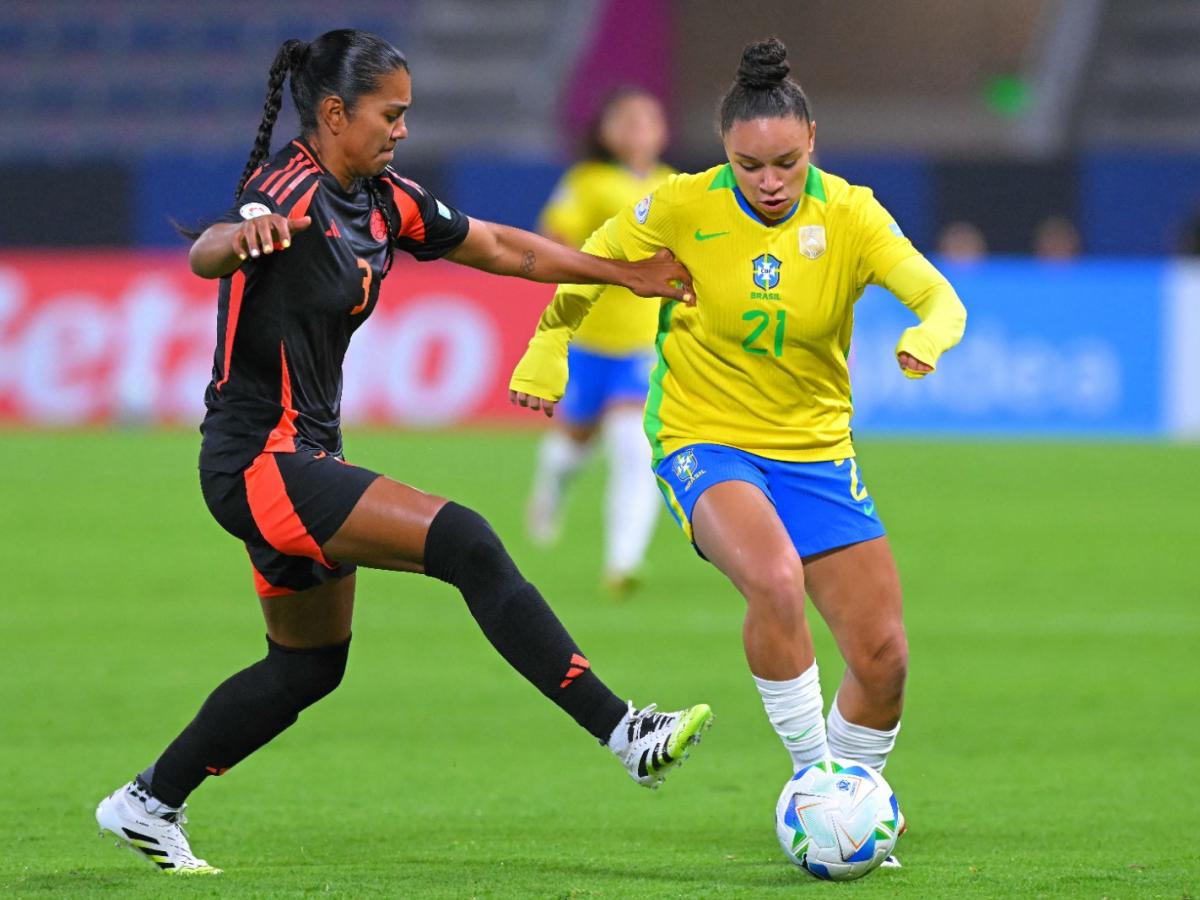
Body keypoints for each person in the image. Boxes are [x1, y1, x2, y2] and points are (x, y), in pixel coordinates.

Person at [94, 30, 712, 876]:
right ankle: (623, 730)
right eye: (392, 114)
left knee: (307, 669)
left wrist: (624, 274)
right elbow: (211, 247)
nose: (403, 130)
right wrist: (236, 239)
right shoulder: (285, 192)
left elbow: (502, 247)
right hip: (258, 464)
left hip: (300, 458)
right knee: (467, 541)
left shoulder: (384, 199)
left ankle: (146, 803)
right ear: (336, 112)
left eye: (408, 115)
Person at [511, 38, 967, 868]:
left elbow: (936, 293)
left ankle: (851, 806)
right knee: (774, 577)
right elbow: (590, 265)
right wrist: (551, 346)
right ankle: (813, 783)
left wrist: (929, 333)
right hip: (704, 439)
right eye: (748, 164)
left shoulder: (852, 215)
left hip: (817, 451)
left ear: (812, 144)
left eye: (785, 163)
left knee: (884, 656)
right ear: (725, 154)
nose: (768, 181)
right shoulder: (681, 205)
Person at [527, 86, 674, 596]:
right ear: (608, 132)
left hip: (642, 345)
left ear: (662, 132)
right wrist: (609, 266)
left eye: (648, 120)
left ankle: (623, 562)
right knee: (575, 447)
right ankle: (551, 488)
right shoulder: (587, 182)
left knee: (635, 446)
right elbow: (553, 236)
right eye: (628, 120)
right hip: (588, 342)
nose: (639, 130)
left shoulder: (674, 187)